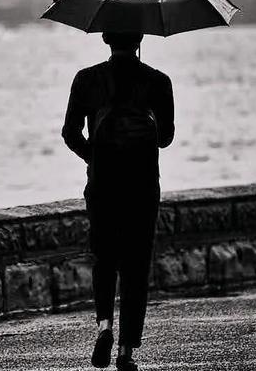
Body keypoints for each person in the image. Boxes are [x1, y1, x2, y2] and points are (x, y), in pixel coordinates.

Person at [61, 31, 175, 371]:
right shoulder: (158, 81)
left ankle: (104, 327)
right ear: (140, 38)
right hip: (141, 186)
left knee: (105, 258)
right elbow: (166, 139)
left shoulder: (86, 79)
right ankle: (125, 352)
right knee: (136, 265)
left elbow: (70, 133)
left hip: (103, 184)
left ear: (106, 40)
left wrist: (93, 158)